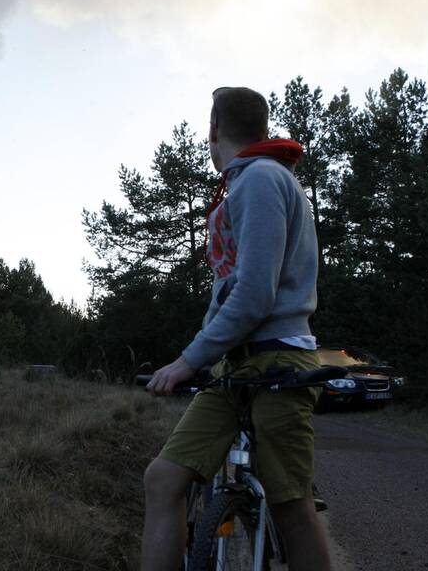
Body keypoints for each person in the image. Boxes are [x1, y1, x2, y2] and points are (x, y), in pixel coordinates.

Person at [141, 86, 331, 571]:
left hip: (278, 360)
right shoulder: (246, 182)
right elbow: (233, 290)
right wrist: (208, 353)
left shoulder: (262, 179)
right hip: (236, 364)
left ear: (213, 128)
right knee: (164, 478)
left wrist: (188, 359)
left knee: (291, 505)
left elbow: (254, 294)